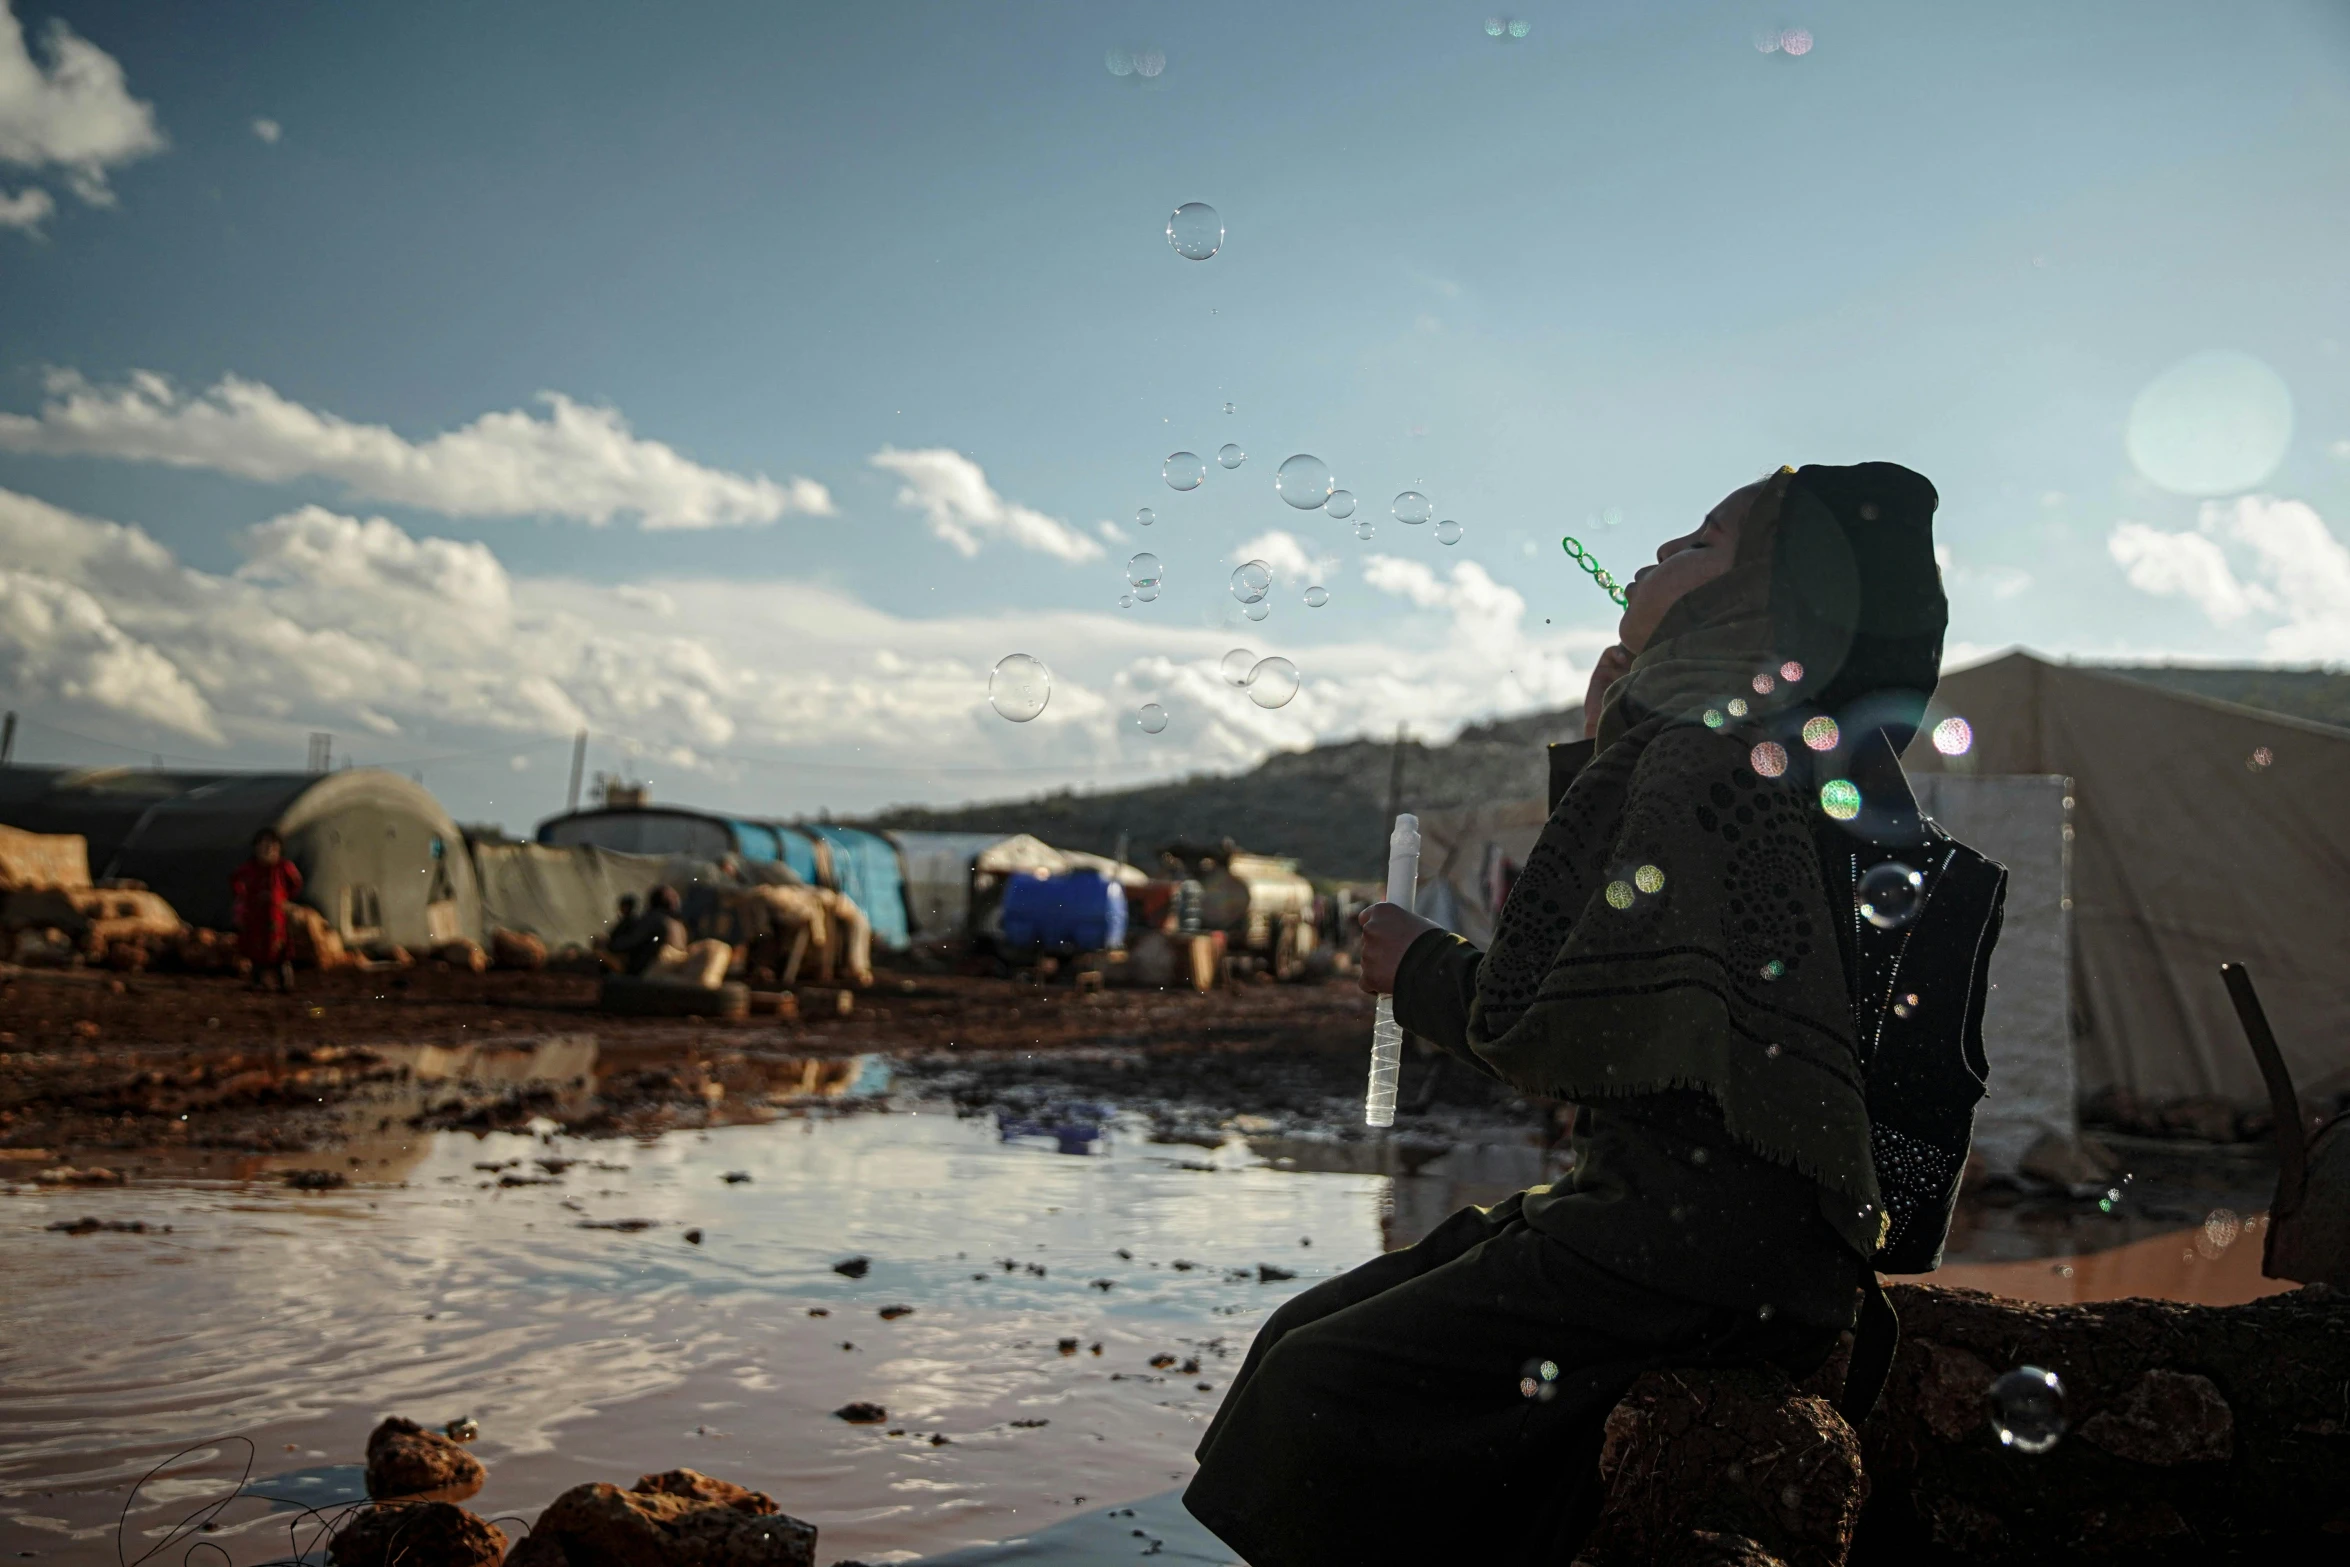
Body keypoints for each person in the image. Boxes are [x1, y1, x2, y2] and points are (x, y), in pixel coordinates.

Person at [1186, 462, 1974, 1565]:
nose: (1657, 554)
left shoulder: (1699, 758)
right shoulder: (1790, 753)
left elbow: (1560, 1017)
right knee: (1297, 1338)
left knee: (1318, 1379)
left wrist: (1416, 968)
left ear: (1758, 606)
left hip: (1681, 1244)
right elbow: (1629, 947)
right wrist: (1608, 740)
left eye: (1697, 545)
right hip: (1739, 1238)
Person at [229, 828, 303, 993]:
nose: (267, 850)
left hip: (277, 917)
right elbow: (236, 881)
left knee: (281, 952)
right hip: (256, 916)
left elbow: (296, 883)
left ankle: (285, 983)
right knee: (256, 952)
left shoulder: (283, 867)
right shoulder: (250, 868)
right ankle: (258, 982)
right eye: (263, 847)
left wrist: (283, 899)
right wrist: (244, 898)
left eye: (271, 846)